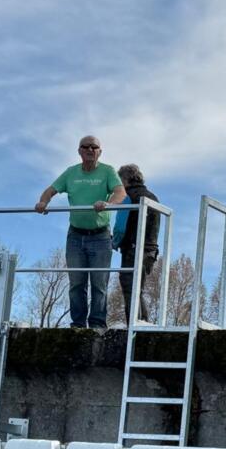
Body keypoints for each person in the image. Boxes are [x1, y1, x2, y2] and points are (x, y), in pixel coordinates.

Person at [34, 135, 125, 328]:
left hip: (100, 236)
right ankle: (77, 324)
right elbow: (50, 190)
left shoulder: (108, 171)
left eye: (94, 147)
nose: (90, 149)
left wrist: (108, 204)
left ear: (100, 151)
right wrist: (43, 202)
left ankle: (97, 325)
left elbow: (120, 192)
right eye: (86, 146)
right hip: (75, 236)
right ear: (79, 151)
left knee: (99, 283)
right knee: (76, 283)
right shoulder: (71, 173)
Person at [114, 163, 160, 324]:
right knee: (138, 289)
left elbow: (120, 227)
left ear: (125, 179)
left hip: (132, 248)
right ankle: (143, 323)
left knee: (129, 288)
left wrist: (114, 242)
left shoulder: (128, 197)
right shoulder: (153, 197)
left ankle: (133, 326)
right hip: (151, 251)